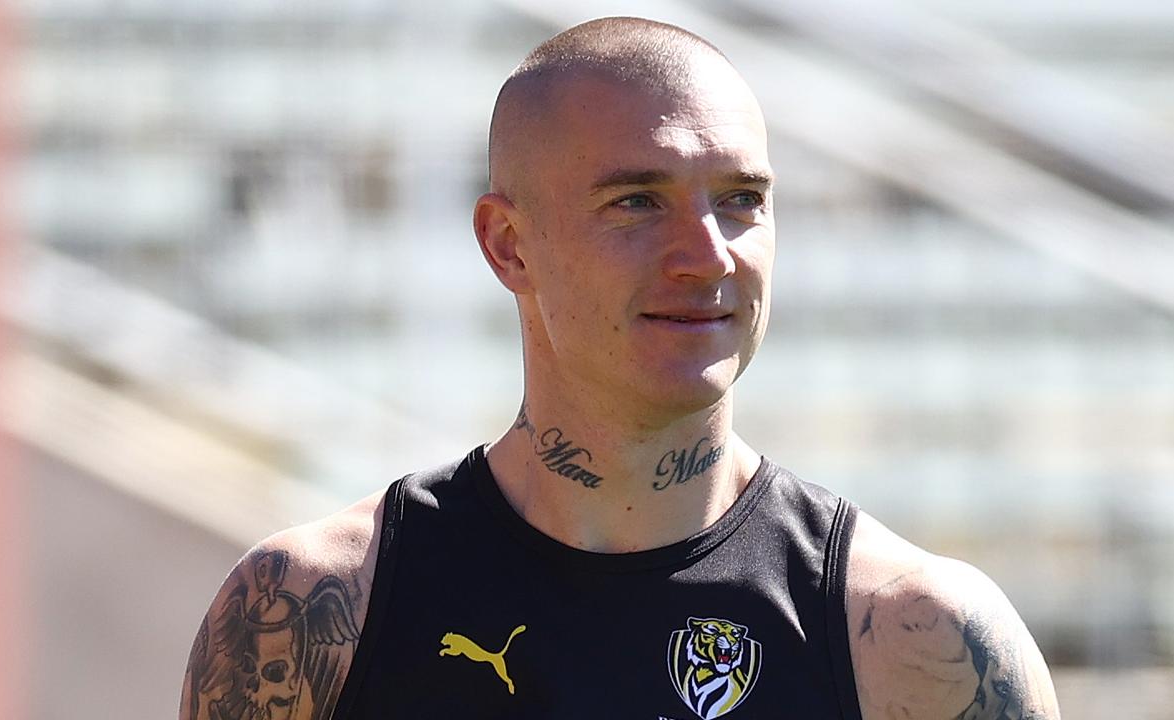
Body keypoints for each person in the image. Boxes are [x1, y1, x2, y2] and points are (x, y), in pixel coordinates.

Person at [180, 16, 1060, 720]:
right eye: (638, 201)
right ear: (508, 245)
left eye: (741, 200)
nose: (708, 255)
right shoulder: (310, 616)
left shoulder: (918, 641)